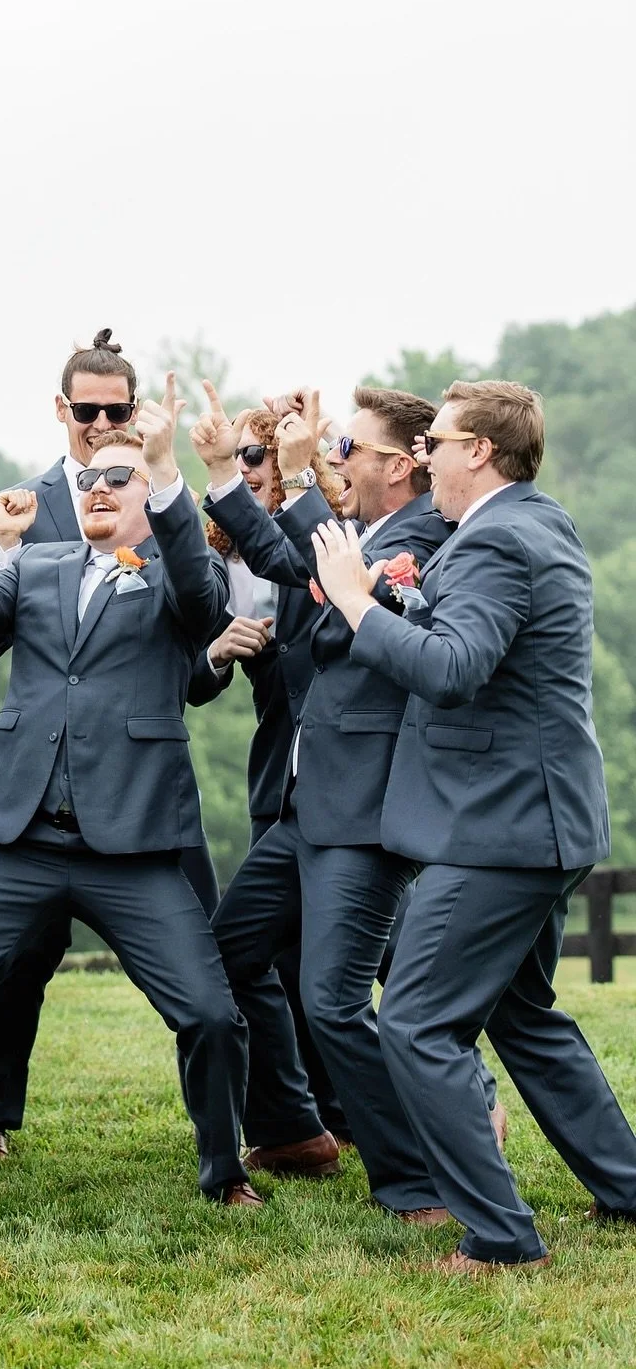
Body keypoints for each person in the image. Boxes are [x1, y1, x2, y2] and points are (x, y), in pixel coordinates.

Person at [0, 383, 257, 1207]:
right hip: (18, 836)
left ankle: (225, 1174)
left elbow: (203, 599)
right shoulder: (37, 564)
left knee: (212, 1017)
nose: (99, 489)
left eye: (120, 479)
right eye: (89, 479)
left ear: (152, 491)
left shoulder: (178, 577)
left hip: (133, 845)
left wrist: (166, 467)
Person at [314, 380, 636, 1273]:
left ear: (481, 451)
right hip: (538, 819)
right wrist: (396, 598)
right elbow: (474, 641)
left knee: (418, 1022)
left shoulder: (499, 539)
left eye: (440, 442)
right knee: (522, 1015)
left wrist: (355, 602)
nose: (426, 456)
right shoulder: (533, 520)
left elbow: (455, 669)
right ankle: (627, 1184)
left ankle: (500, 1236)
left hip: (501, 828)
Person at [190, 383, 450, 1218]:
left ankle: (419, 1178)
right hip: (303, 807)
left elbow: (329, 584)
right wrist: (221, 474)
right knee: (224, 958)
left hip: (363, 810)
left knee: (334, 1001)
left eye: (349, 447)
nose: (337, 458)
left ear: (398, 467)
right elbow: (293, 563)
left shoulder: (421, 533)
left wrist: (303, 478)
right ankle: (284, 1130)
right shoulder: (368, 531)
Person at [0, 330, 221, 1160]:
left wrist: (211, 657)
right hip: (39, 782)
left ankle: (248, 1122)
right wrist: (1, 544)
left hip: (144, 777)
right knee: (15, 961)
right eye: (88, 410)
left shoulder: (160, 490)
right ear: (61, 410)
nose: (102, 423)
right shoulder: (27, 500)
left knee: (205, 954)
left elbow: (193, 611)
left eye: (117, 410)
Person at [186, 400, 350, 1143]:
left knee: (370, 955)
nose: (252, 468)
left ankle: (467, 1097)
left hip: (347, 780)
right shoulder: (221, 558)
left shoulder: (323, 537)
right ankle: (310, 1118)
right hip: (275, 773)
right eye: (241, 457)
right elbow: (193, 676)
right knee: (278, 961)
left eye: (261, 456)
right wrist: (219, 650)